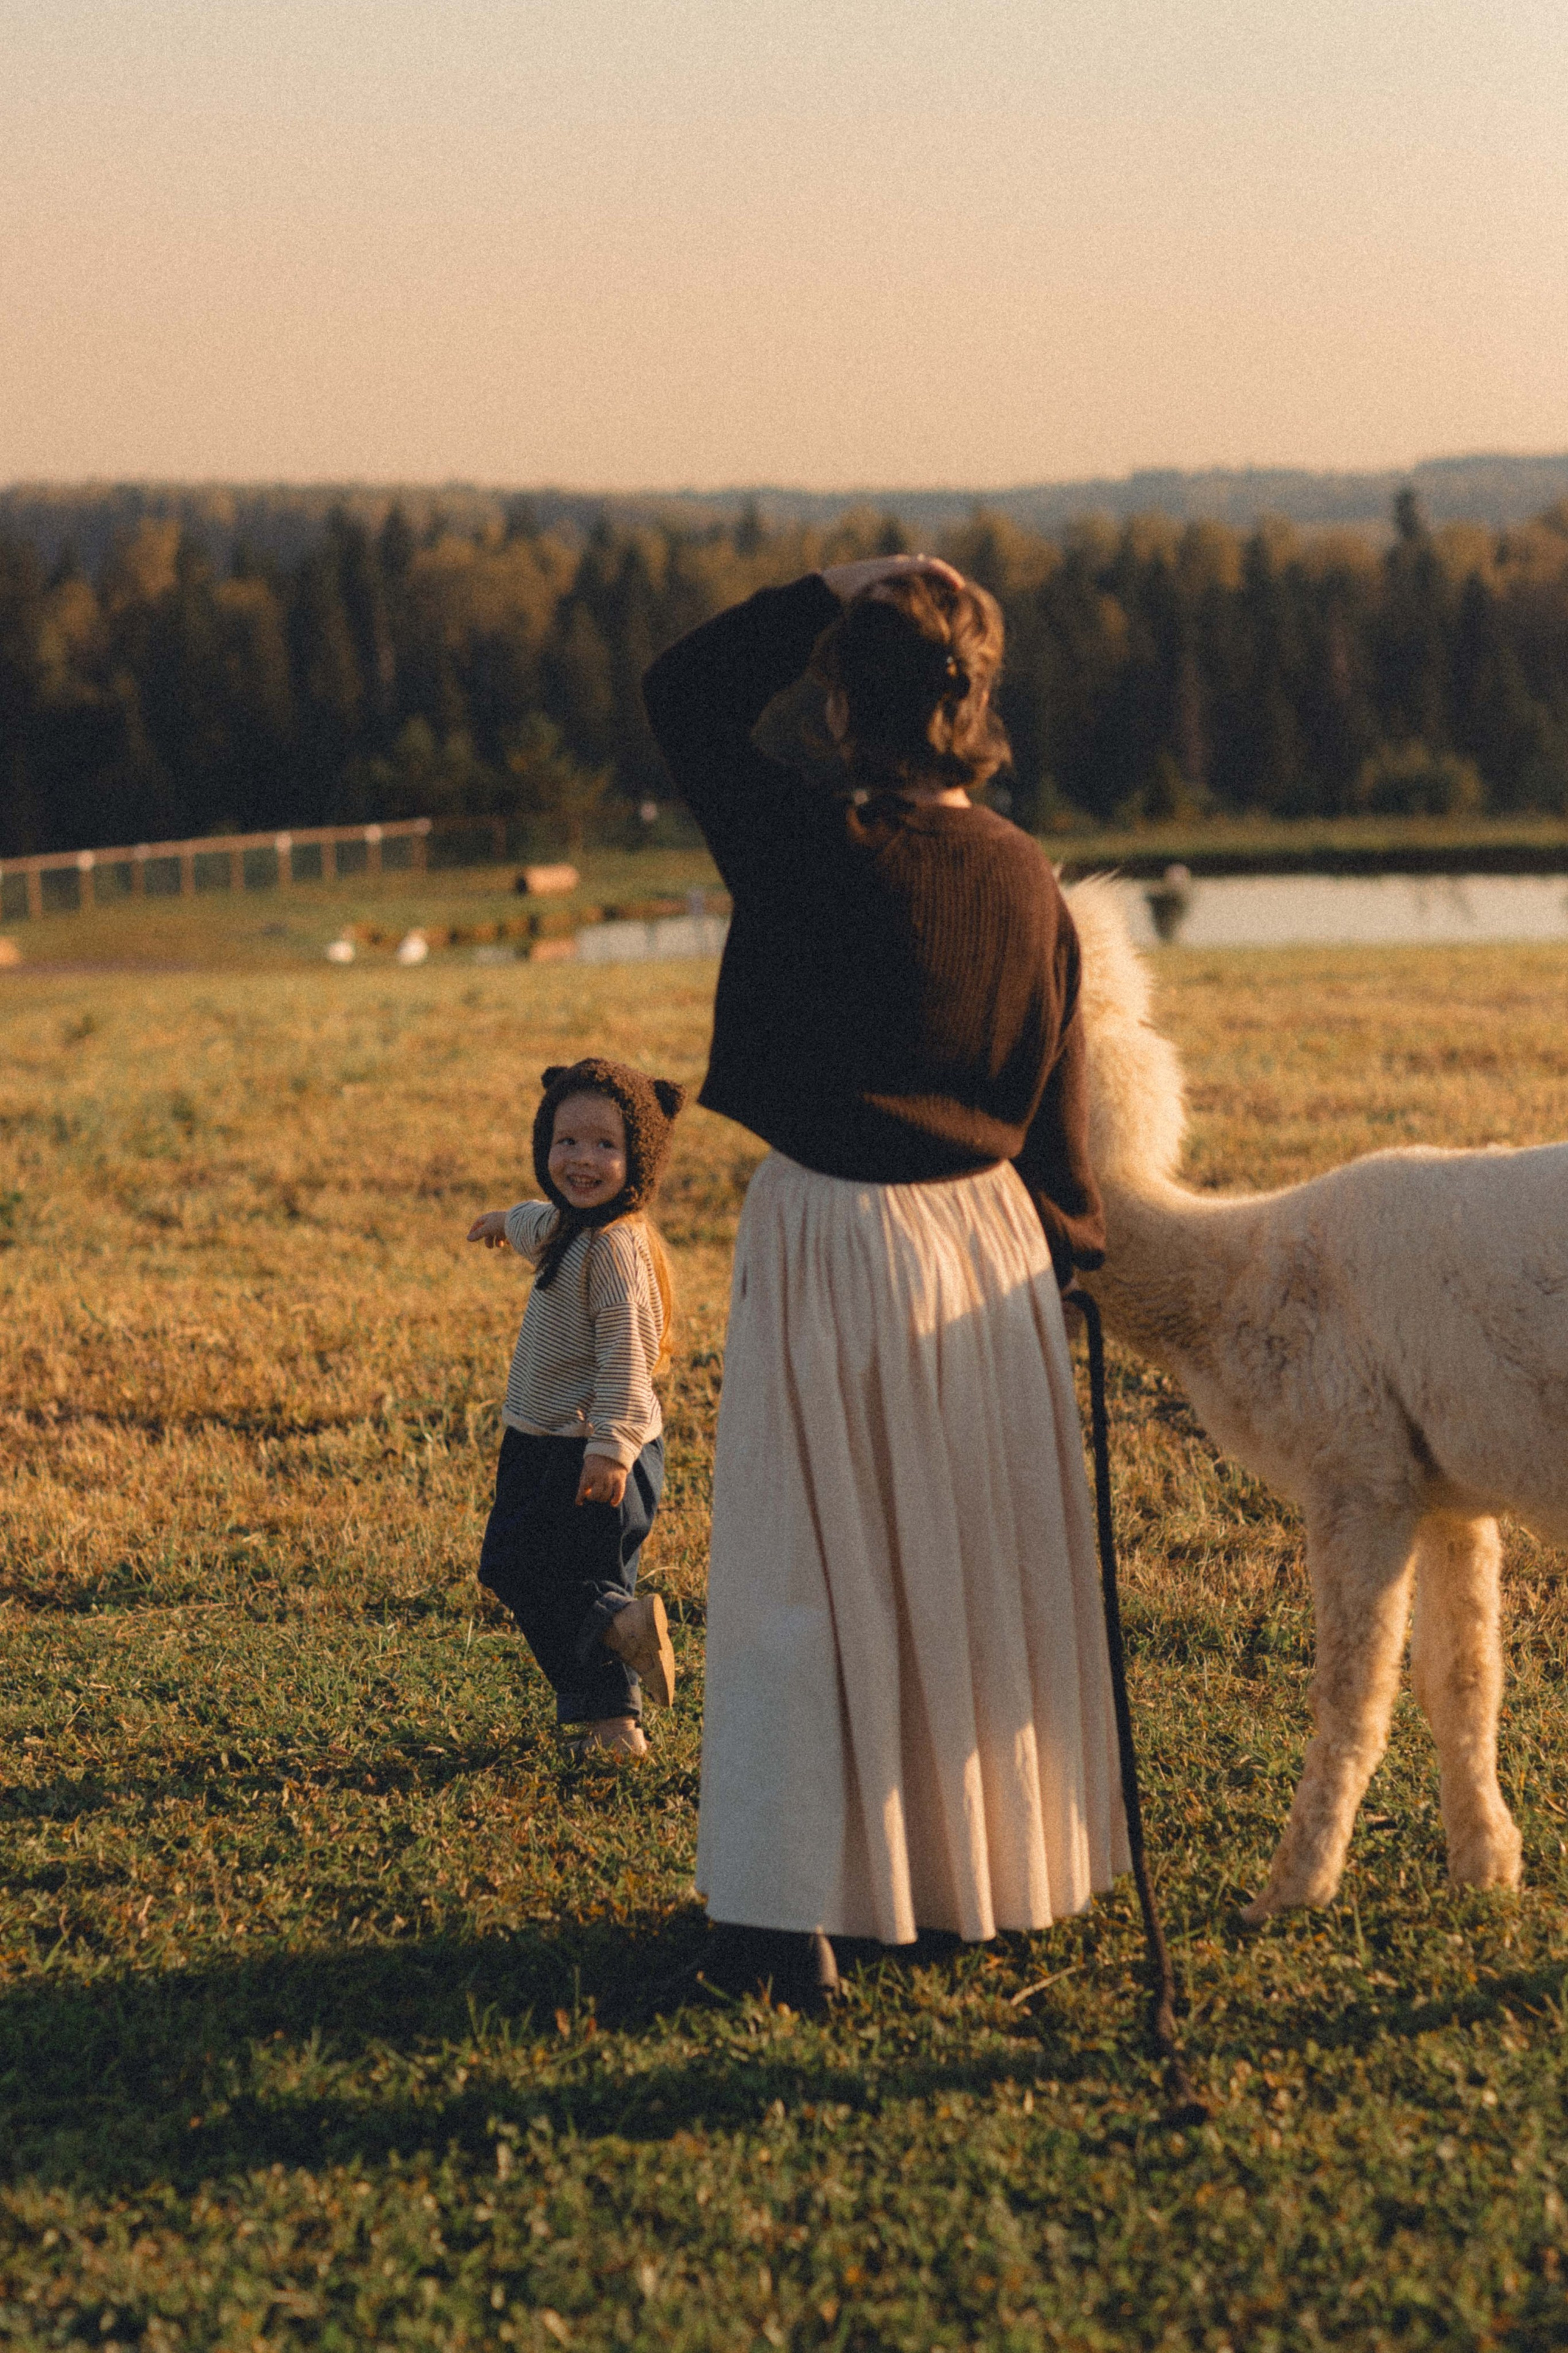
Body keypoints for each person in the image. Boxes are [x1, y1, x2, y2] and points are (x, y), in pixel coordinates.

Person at [642, 554, 1126, 2004]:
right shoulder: (1029, 875)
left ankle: (786, 1915)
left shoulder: (806, 840)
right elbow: (1061, 1097)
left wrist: (810, 598)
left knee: (805, 1564)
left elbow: (679, 698)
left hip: (835, 1233)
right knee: (949, 1562)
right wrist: (1067, 1253)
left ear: (846, 700)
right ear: (971, 706)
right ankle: (964, 1882)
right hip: (986, 1243)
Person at [467, 1057, 684, 1759]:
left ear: (638, 1160)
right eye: (566, 1142)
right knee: (550, 1575)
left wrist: (611, 1447)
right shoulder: (567, 1226)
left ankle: (622, 1633)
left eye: (606, 1146)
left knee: (539, 1571)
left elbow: (629, 1359)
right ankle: (613, 1727)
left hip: (591, 1446)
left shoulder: (617, 1251)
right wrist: (504, 1220)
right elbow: (537, 1223)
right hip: (544, 1437)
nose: (582, 1160)